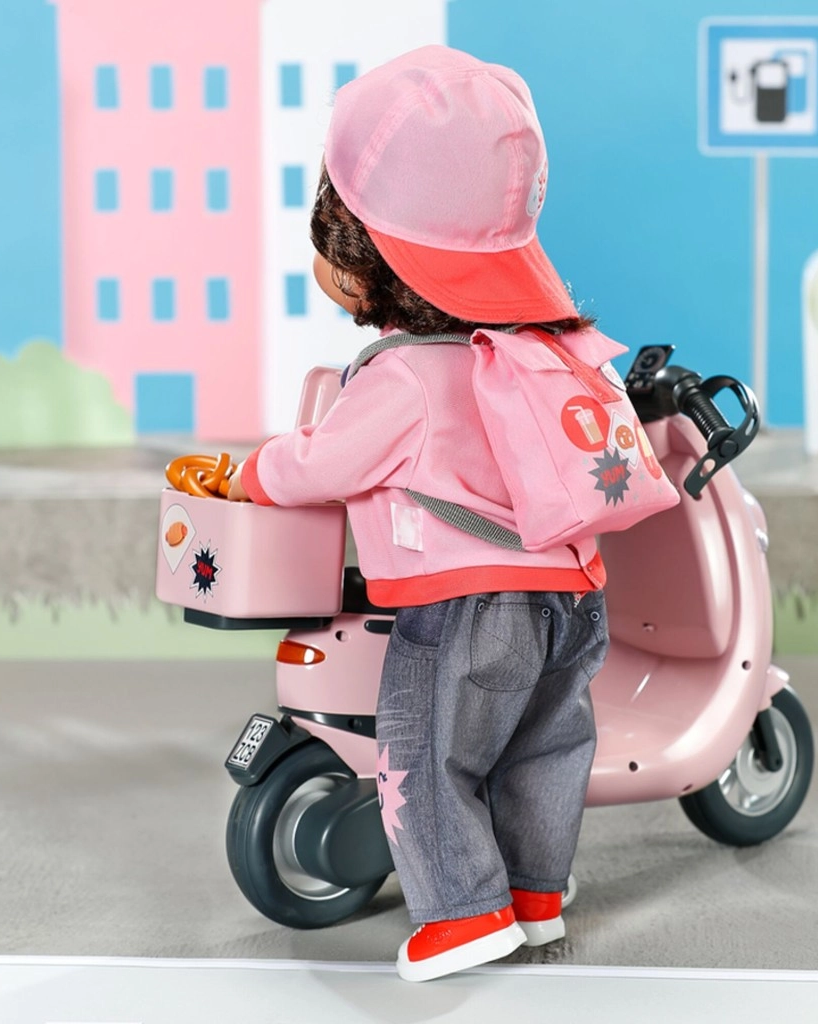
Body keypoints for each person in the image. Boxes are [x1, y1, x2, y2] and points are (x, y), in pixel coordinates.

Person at [227, 44, 614, 982]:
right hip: (574, 597)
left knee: (427, 757)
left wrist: (251, 475)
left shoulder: (403, 376)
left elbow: (323, 464)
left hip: (467, 608)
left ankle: (463, 914)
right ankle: (535, 897)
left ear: (378, 259)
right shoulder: (538, 352)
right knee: (544, 747)